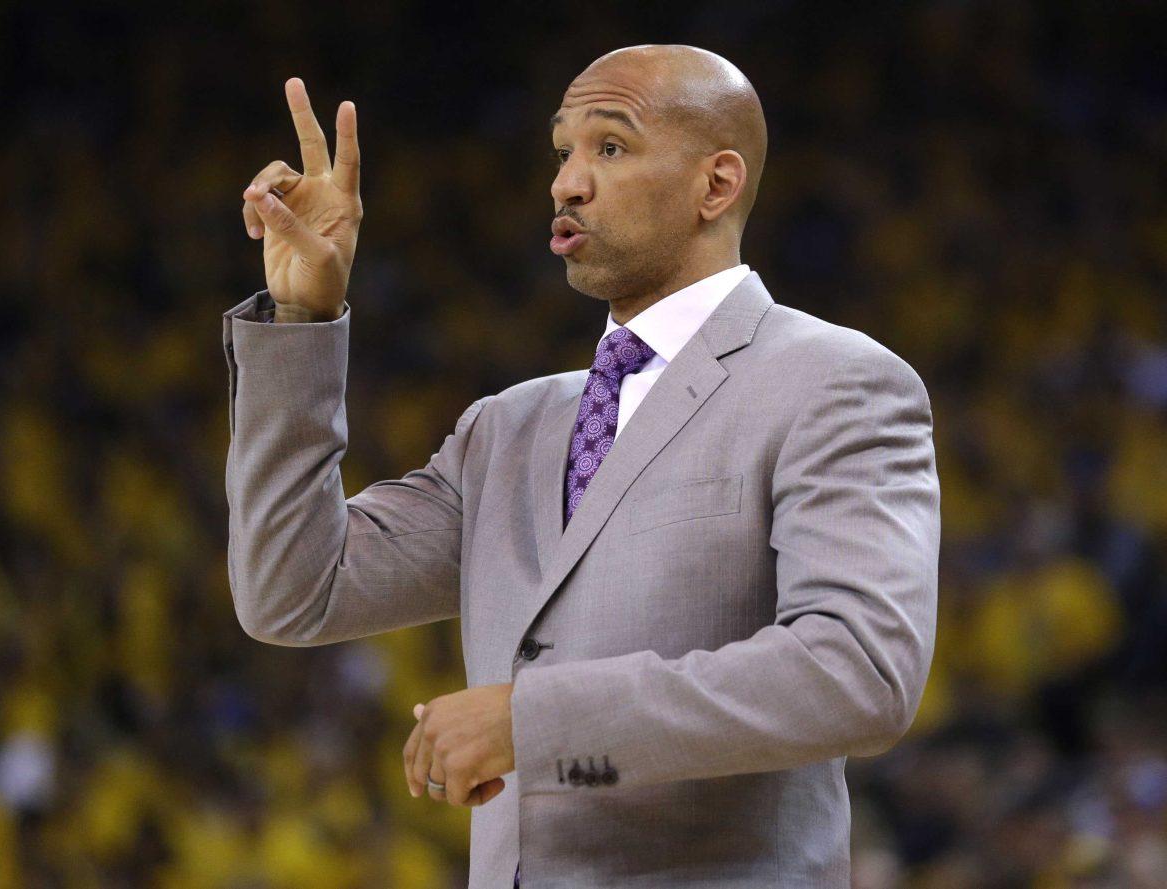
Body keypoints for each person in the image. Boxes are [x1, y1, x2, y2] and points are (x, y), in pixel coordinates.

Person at [224, 43, 940, 889]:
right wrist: (304, 320)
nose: (566, 182)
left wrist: (540, 721)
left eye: (610, 147)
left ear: (716, 185)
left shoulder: (833, 380)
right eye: (563, 150)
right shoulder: (507, 427)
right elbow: (293, 590)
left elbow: (858, 670)